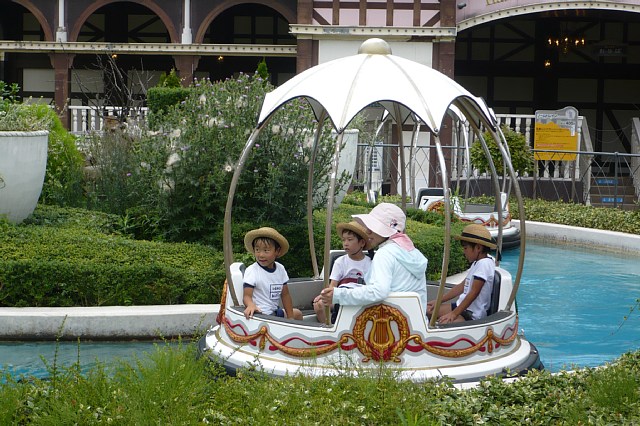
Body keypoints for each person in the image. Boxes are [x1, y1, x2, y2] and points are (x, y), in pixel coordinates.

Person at [319, 203, 428, 312]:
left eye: (373, 227)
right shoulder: (413, 252)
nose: (367, 231)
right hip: (414, 319)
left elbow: (378, 292)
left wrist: (338, 295)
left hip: (388, 318)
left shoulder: (385, 253)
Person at [427, 224, 496, 324]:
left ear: (478, 248)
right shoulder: (477, 263)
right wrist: (439, 301)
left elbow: (474, 293)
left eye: (465, 248)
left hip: (471, 314)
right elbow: (462, 286)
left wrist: (453, 314)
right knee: (427, 310)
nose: (464, 252)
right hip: (462, 307)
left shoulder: (484, 264)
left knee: (442, 324)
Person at [313, 221, 373, 323]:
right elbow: (333, 285)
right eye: (343, 240)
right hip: (341, 295)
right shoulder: (340, 261)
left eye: (350, 240)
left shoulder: (370, 263)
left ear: (362, 243)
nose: (345, 243)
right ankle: (329, 327)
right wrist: (325, 295)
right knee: (319, 305)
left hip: (359, 296)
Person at [242, 227, 303, 320]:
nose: (261, 255)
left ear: (277, 251)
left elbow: (285, 295)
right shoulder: (252, 270)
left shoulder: (280, 269)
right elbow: (246, 296)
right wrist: (250, 305)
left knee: (297, 314)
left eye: (266, 250)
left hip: (275, 312)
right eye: (257, 250)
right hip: (260, 314)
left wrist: (290, 318)